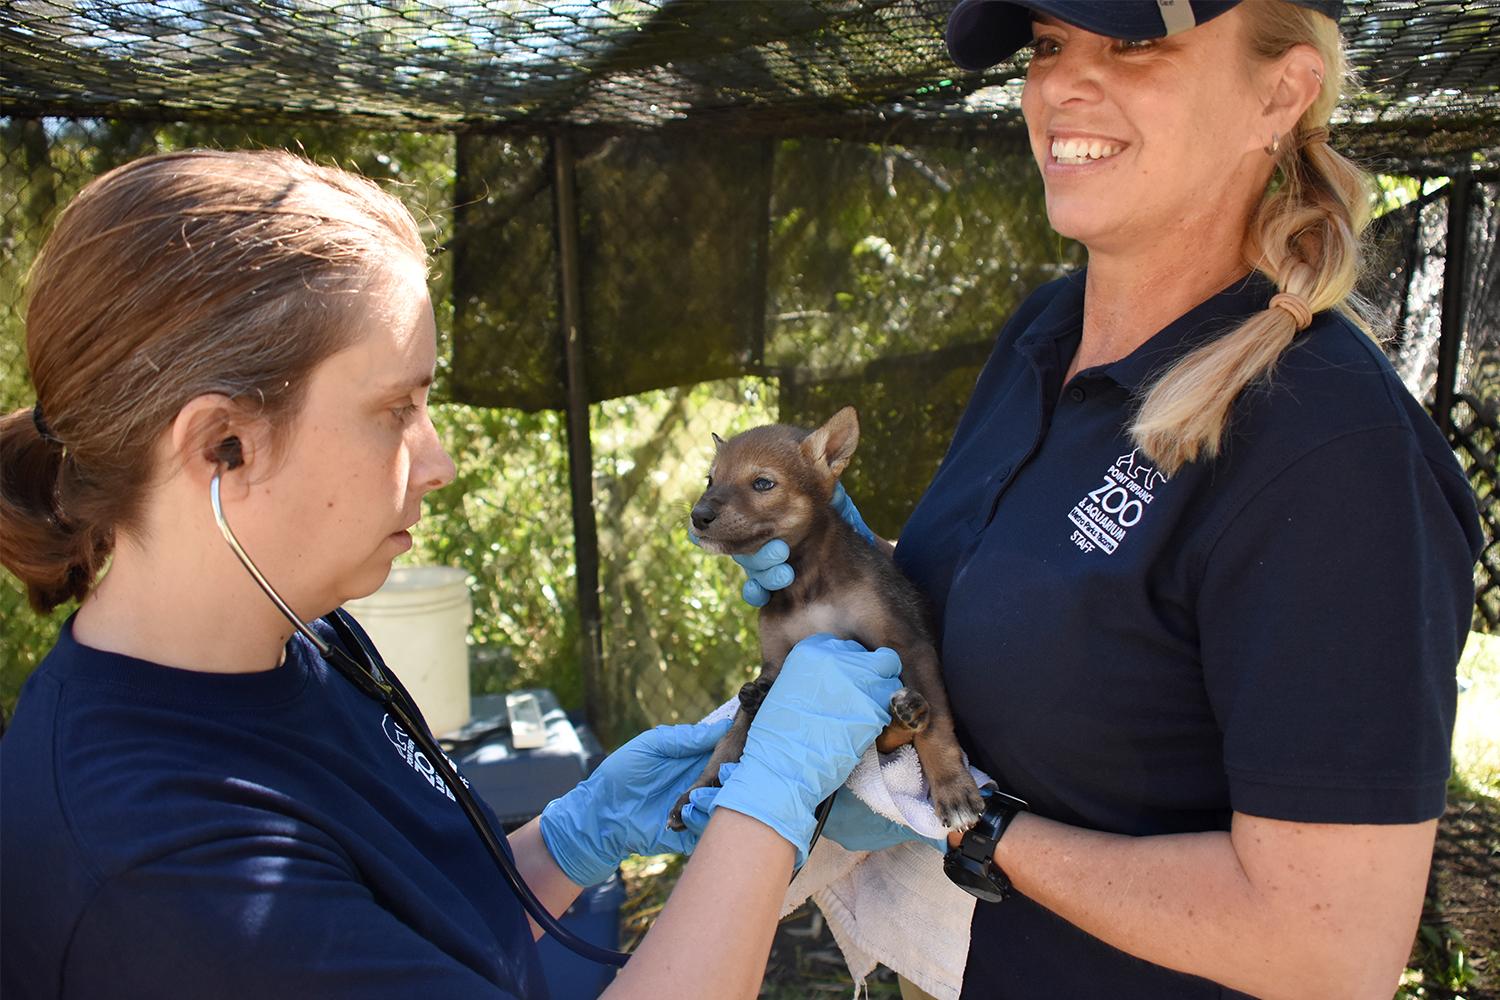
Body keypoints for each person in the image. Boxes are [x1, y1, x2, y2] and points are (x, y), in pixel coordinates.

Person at [0, 148, 906, 999]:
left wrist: (573, 835)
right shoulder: (166, 871)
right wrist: (766, 806)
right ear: (221, 445)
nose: (438, 463)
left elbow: (428, 922)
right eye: (397, 409)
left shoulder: (304, 637)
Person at [719, 2, 1484, 997]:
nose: (1064, 84)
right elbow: (1058, 601)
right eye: (1048, 44)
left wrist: (965, 816)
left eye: (1133, 43)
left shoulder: (1331, 453)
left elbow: (1326, 949)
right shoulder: (1048, 328)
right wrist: (850, 578)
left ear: (1281, 93)